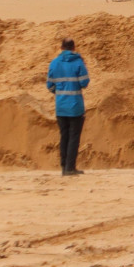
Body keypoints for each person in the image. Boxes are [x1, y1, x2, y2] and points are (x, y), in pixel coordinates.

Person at [46, 37, 91, 176]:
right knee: (74, 137)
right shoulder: (78, 62)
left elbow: (50, 85)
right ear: (73, 48)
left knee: (63, 136)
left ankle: (64, 166)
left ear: (61, 47)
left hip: (61, 106)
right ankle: (70, 167)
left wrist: (59, 93)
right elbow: (84, 82)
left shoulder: (54, 63)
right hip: (76, 105)